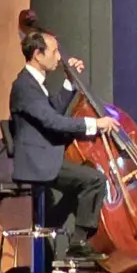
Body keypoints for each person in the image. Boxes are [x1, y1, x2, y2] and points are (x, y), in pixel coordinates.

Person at [8, 30, 120, 260]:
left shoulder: (35, 83)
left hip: (47, 155)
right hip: (37, 162)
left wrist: (70, 82)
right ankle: (78, 243)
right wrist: (95, 123)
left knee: (86, 181)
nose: (60, 58)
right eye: (54, 51)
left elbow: (52, 111)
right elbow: (53, 121)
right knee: (95, 180)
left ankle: (69, 241)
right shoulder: (24, 86)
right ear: (38, 55)